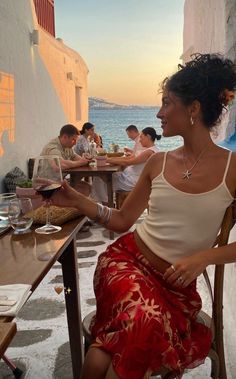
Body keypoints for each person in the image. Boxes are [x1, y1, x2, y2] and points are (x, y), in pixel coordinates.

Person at [51, 54, 236, 379]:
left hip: (174, 289)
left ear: (193, 109)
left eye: (167, 103)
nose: (159, 113)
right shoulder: (157, 163)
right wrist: (78, 201)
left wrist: (206, 257)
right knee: (142, 322)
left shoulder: (231, 169)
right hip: (125, 263)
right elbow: (122, 220)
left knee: (101, 358)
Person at [91, 127, 161, 203]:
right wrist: (108, 159)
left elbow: (128, 162)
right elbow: (127, 158)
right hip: (128, 177)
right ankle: (105, 202)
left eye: (141, 137)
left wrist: (106, 160)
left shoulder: (150, 152)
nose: (140, 140)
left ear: (148, 137)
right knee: (101, 178)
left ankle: (104, 204)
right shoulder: (148, 150)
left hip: (132, 181)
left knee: (99, 178)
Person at [40, 124, 91, 196]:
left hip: (59, 181)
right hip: (47, 184)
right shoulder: (53, 148)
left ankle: (76, 206)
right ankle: (74, 206)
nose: (75, 143)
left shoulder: (66, 146)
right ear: (65, 137)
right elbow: (60, 165)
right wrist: (81, 162)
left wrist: (86, 159)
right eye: (73, 140)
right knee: (82, 189)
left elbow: (76, 157)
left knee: (86, 187)